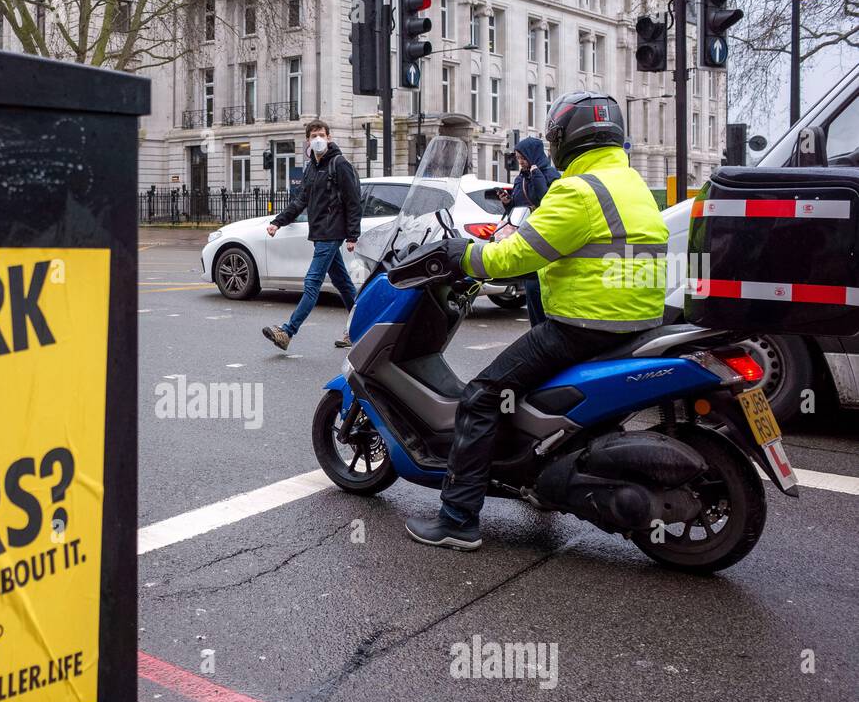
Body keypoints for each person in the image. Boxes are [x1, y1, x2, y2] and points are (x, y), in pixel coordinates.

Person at [406, 91, 668, 550]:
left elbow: (517, 253)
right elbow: (570, 252)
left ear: (567, 139)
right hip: (637, 320)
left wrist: (462, 254)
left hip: (584, 325)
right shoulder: (631, 183)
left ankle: (457, 518)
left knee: (482, 396)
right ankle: (538, 474)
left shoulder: (579, 190)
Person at [262, 120, 361, 351]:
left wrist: (352, 235)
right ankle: (362, 328)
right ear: (308, 140)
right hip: (319, 232)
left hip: (332, 232)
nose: (318, 139)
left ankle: (287, 332)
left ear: (329, 137)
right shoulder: (311, 168)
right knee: (343, 284)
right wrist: (278, 222)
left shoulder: (340, 164)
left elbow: (354, 201)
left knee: (312, 282)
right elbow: (301, 201)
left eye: (322, 135)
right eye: (314, 135)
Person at [500, 137, 560, 326]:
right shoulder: (521, 178)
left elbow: (545, 199)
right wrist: (508, 203)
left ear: (533, 155)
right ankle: (538, 328)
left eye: (523, 158)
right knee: (532, 285)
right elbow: (519, 206)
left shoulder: (552, 176)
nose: (520, 162)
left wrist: (536, 175)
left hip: (548, 236)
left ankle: (548, 326)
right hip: (528, 235)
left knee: (540, 284)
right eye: (518, 158)